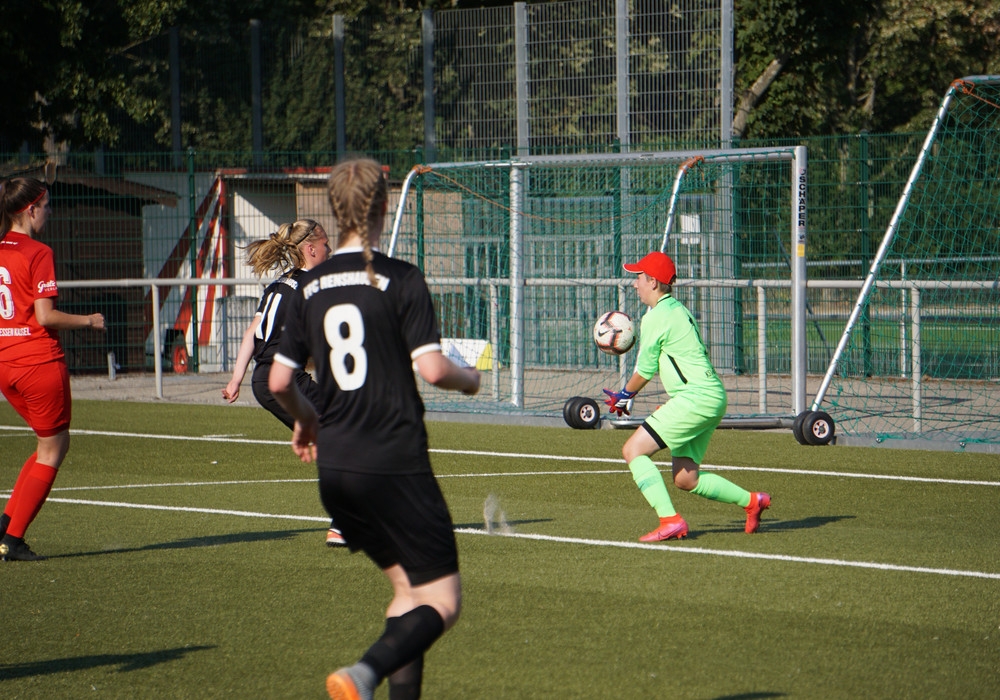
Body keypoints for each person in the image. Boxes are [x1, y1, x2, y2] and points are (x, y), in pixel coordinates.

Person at [268, 158, 480, 700]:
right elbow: (432, 369)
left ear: (334, 212)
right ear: (384, 205)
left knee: (407, 595)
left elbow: (277, 380)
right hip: (394, 460)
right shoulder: (401, 277)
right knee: (444, 602)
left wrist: (307, 419)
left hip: (336, 466)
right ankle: (365, 673)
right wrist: (470, 379)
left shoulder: (309, 286)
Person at [603, 251, 770, 542]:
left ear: (653, 282)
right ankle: (752, 501)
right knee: (685, 478)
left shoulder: (656, 316)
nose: (635, 284)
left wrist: (624, 395)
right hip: (710, 396)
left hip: (695, 398)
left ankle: (671, 520)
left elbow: (645, 369)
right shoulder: (677, 309)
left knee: (633, 451)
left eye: (639, 278)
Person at [221, 219, 346, 547]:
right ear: (311, 249)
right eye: (327, 244)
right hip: (286, 379)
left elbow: (253, 333)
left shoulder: (280, 285)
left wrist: (236, 378)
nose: (330, 250)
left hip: (262, 380)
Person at [0, 177, 106, 561]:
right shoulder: (37, 251)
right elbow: (45, 317)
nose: (50, 212)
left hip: (6, 363)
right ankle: (12, 541)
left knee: (46, 443)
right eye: (47, 206)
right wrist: (89, 321)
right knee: (55, 447)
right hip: (37, 362)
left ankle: (6, 522)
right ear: (30, 209)